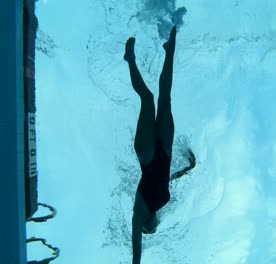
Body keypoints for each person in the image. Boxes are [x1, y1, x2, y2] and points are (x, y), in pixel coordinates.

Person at [124, 25, 177, 264]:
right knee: (165, 96)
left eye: (152, 228)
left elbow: (136, 244)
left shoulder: (140, 214)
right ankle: (170, 50)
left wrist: (136, 262)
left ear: (147, 225)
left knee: (148, 98)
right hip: (165, 150)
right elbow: (168, 178)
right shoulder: (161, 202)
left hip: (147, 154)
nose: (156, 225)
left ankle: (130, 59)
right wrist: (187, 167)